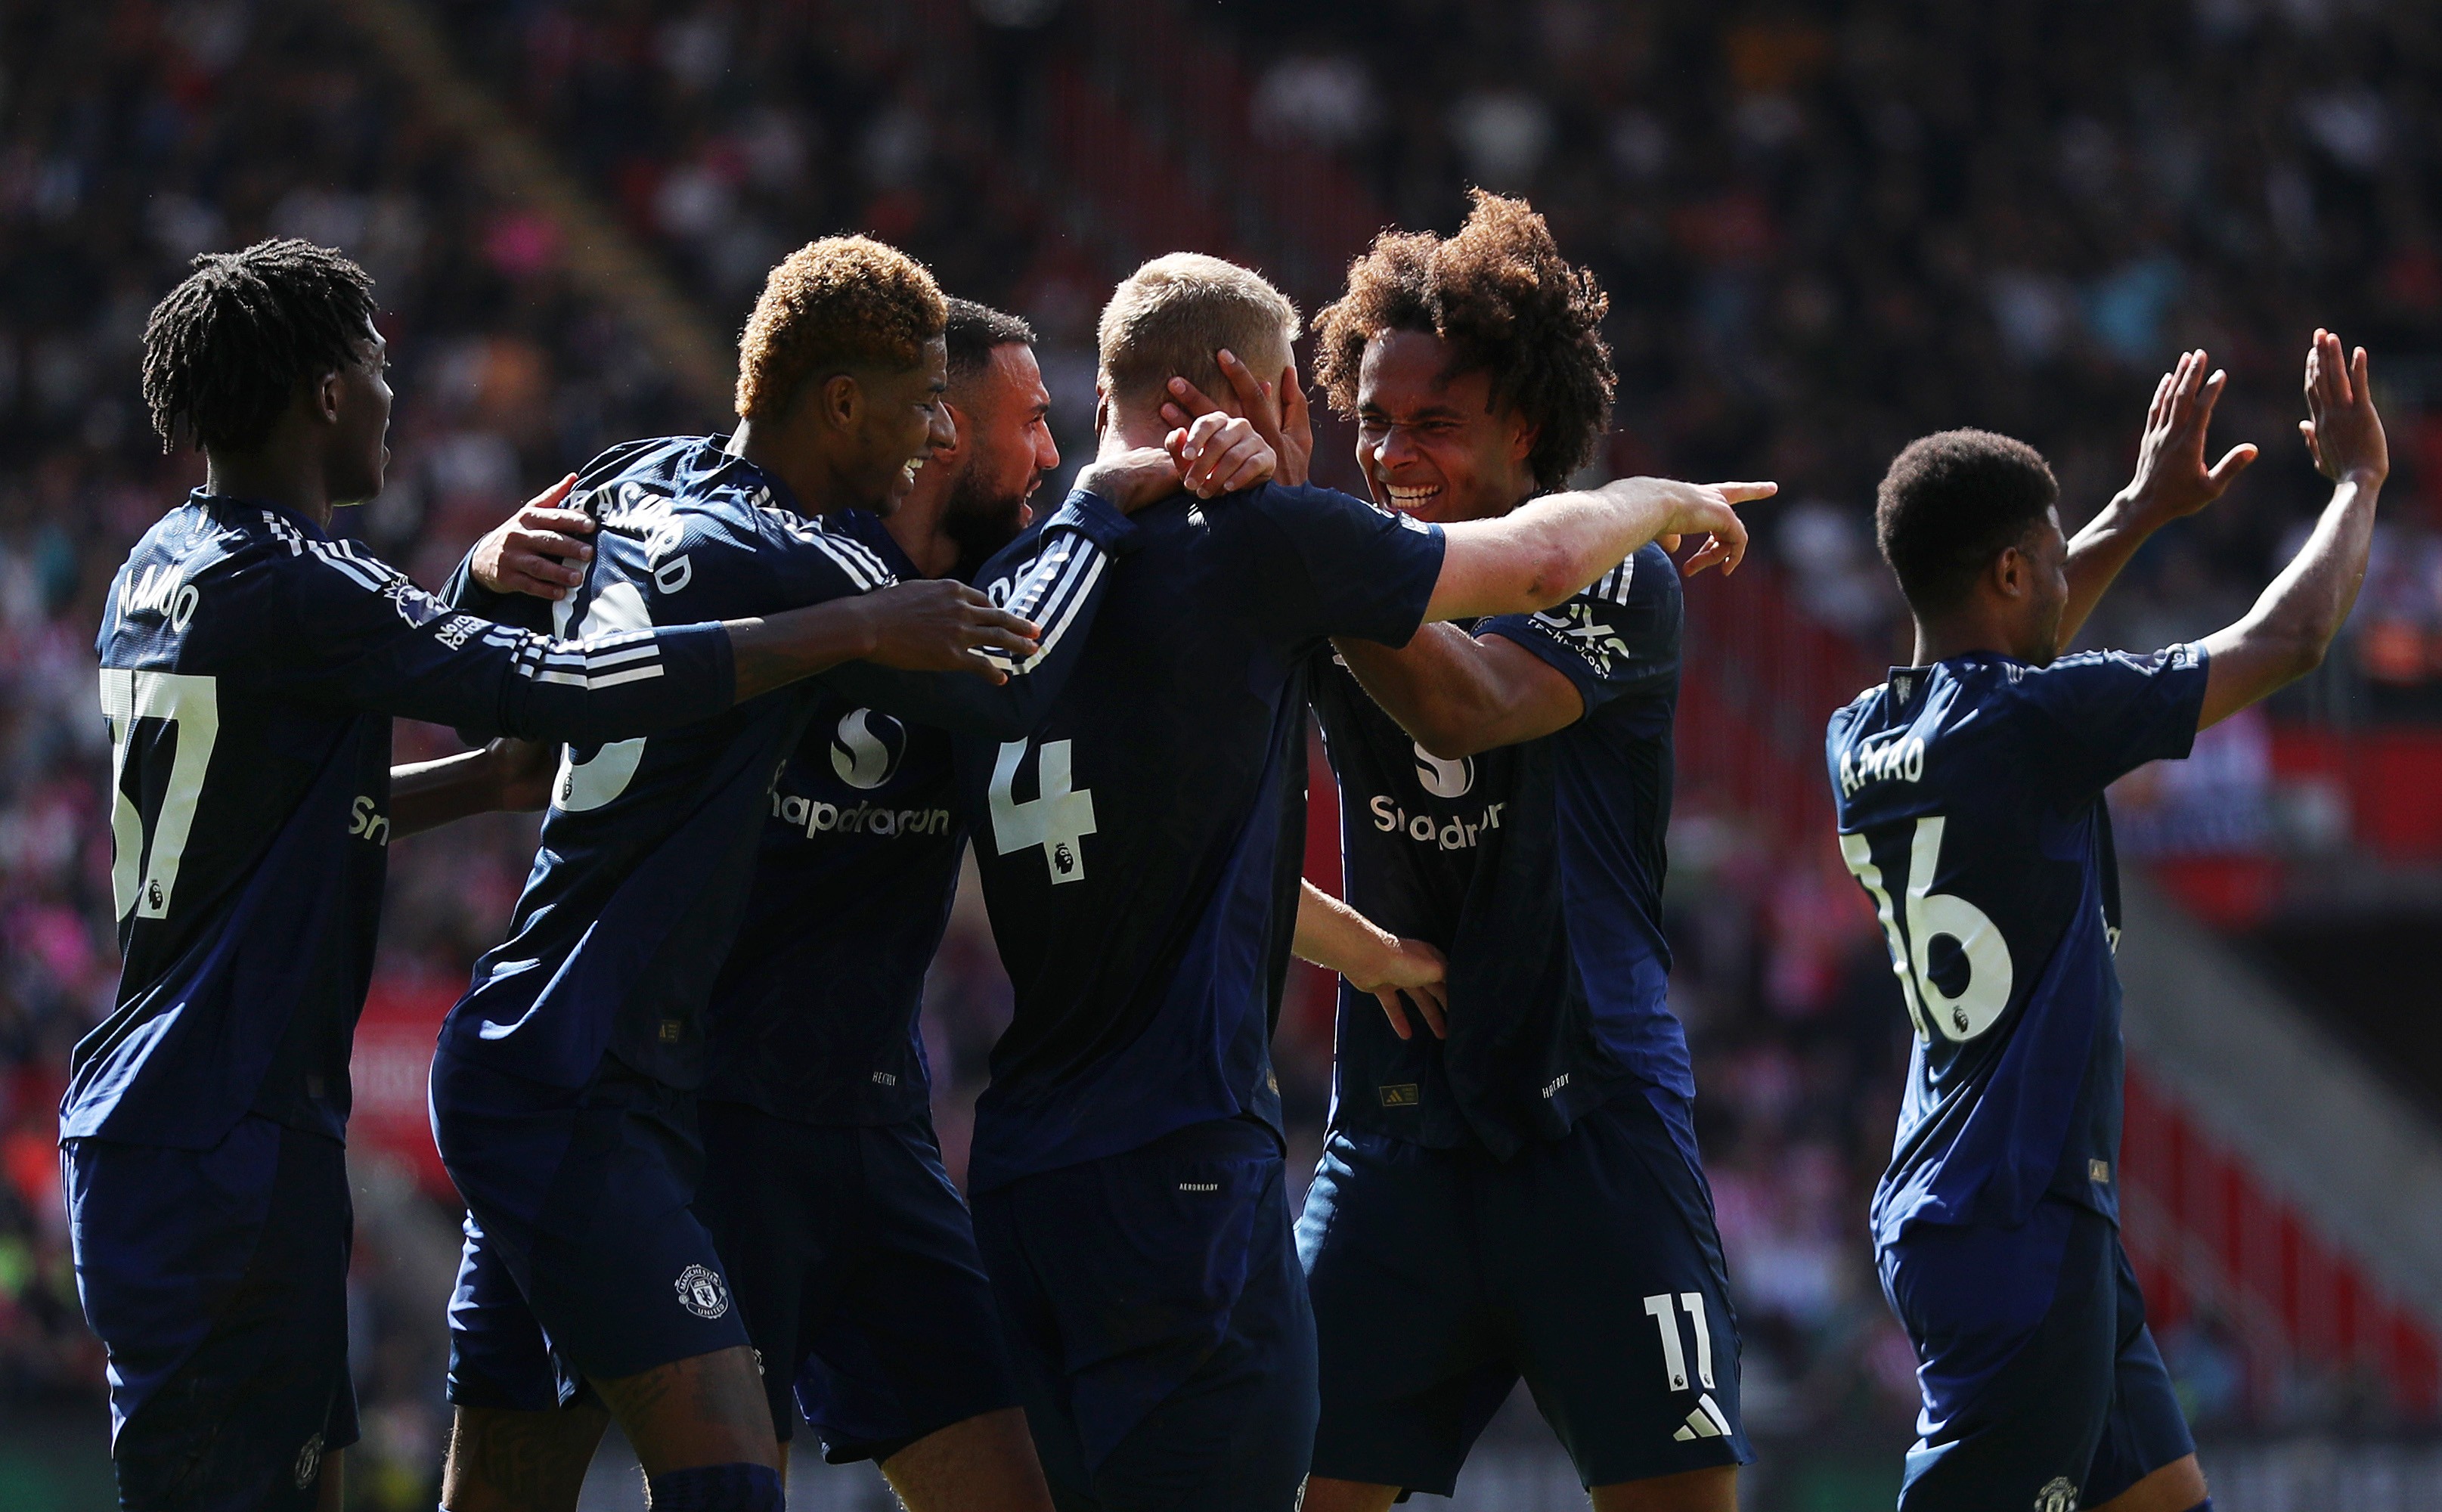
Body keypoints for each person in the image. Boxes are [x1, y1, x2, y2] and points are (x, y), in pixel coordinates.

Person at [72, 240, 1033, 1512]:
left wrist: (477, 684)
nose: (389, 393)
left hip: (176, 1105)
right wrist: (853, 628)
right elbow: (562, 690)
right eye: (372, 365)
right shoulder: (303, 583)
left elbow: (298, 804)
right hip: (228, 1123)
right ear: (320, 395)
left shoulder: (161, 565)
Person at [427, 239, 1266, 1512]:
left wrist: (475, 576)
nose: (1045, 458)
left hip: (869, 1119)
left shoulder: (829, 552)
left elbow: (482, 662)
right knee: (653, 1473)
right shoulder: (827, 579)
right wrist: (486, 570)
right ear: (911, 431)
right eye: (1014, 423)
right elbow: (1003, 674)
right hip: (697, 1105)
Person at [953, 249, 1762, 1512]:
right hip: (1393, 1141)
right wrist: (1368, 954)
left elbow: (1469, 708)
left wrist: (1297, 547)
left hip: (1591, 1117)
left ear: (1527, 425)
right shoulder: (1317, 563)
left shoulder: (1613, 564)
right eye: (1372, 423)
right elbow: (1203, 845)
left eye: (1434, 424)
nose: (1392, 455)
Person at [1827, 333, 2382, 1512]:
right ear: (2014, 575)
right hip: (2015, 1215)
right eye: (2045, 555)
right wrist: (2356, 484)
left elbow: (2008, 633)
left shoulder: (1857, 739)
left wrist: (2136, 508)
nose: (2061, 580)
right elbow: (2288, 644)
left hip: (1980, 1205)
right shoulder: (2033, 723)